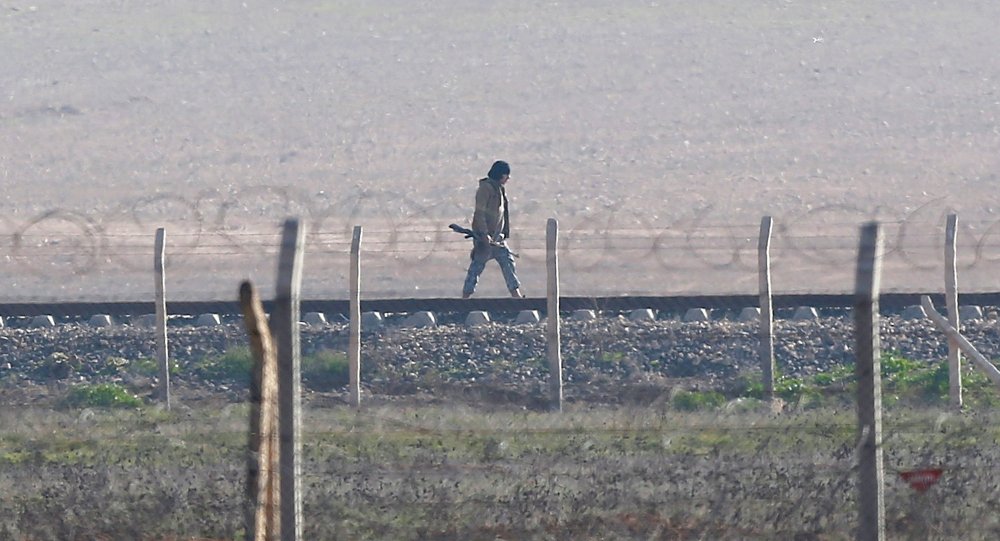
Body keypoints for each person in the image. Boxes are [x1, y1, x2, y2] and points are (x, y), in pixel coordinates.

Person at [462, 160, 524, 298]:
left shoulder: (499, 189)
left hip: (498, 239)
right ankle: (464, 300)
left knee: (508, 264)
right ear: (501, 175)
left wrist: (502, 234)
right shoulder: (485, 189)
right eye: (506, 175)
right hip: (486, 241)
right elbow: (480, 213)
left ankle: (517, 297)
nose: (508, 178)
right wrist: (484, 235)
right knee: (476, 269)